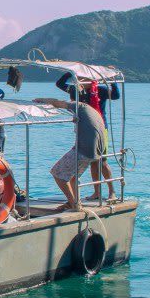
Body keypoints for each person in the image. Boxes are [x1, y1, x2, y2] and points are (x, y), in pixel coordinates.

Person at [55, 72, 120, 201]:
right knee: (92, 161)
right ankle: (97, 192)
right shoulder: (75, 90)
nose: (83, 81)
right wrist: (69, 73)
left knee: (102, 160)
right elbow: (59, 84)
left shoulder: (100, 90)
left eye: (86, 78)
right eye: (80, 78)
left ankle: (112, 192)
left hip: (100, 128)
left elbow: (116, 95)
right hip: (83, 128)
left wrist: (113, 80)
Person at [34, 96, 107, 210]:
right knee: (73, 176)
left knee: (57, 173)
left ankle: (73, 204)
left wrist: (41, 100)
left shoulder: (80, 106)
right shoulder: (92, 111)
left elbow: (58, 102)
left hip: (84, 150)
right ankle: (75, 201)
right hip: (94, 151)